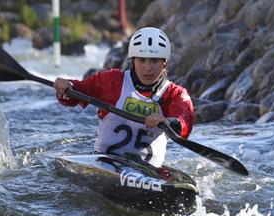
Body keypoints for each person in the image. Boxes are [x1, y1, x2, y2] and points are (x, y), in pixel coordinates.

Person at [54, 27, 194, 167]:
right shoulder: (112, 81)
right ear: (133, 60)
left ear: (164, 62)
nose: (148, 68)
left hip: (150, 171)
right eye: (142, 60)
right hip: (105, 163)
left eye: (154, 61)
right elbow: (77, 92)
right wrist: (67, 87)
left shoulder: (175, 94)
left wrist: (167, 122)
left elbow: (184, 120)